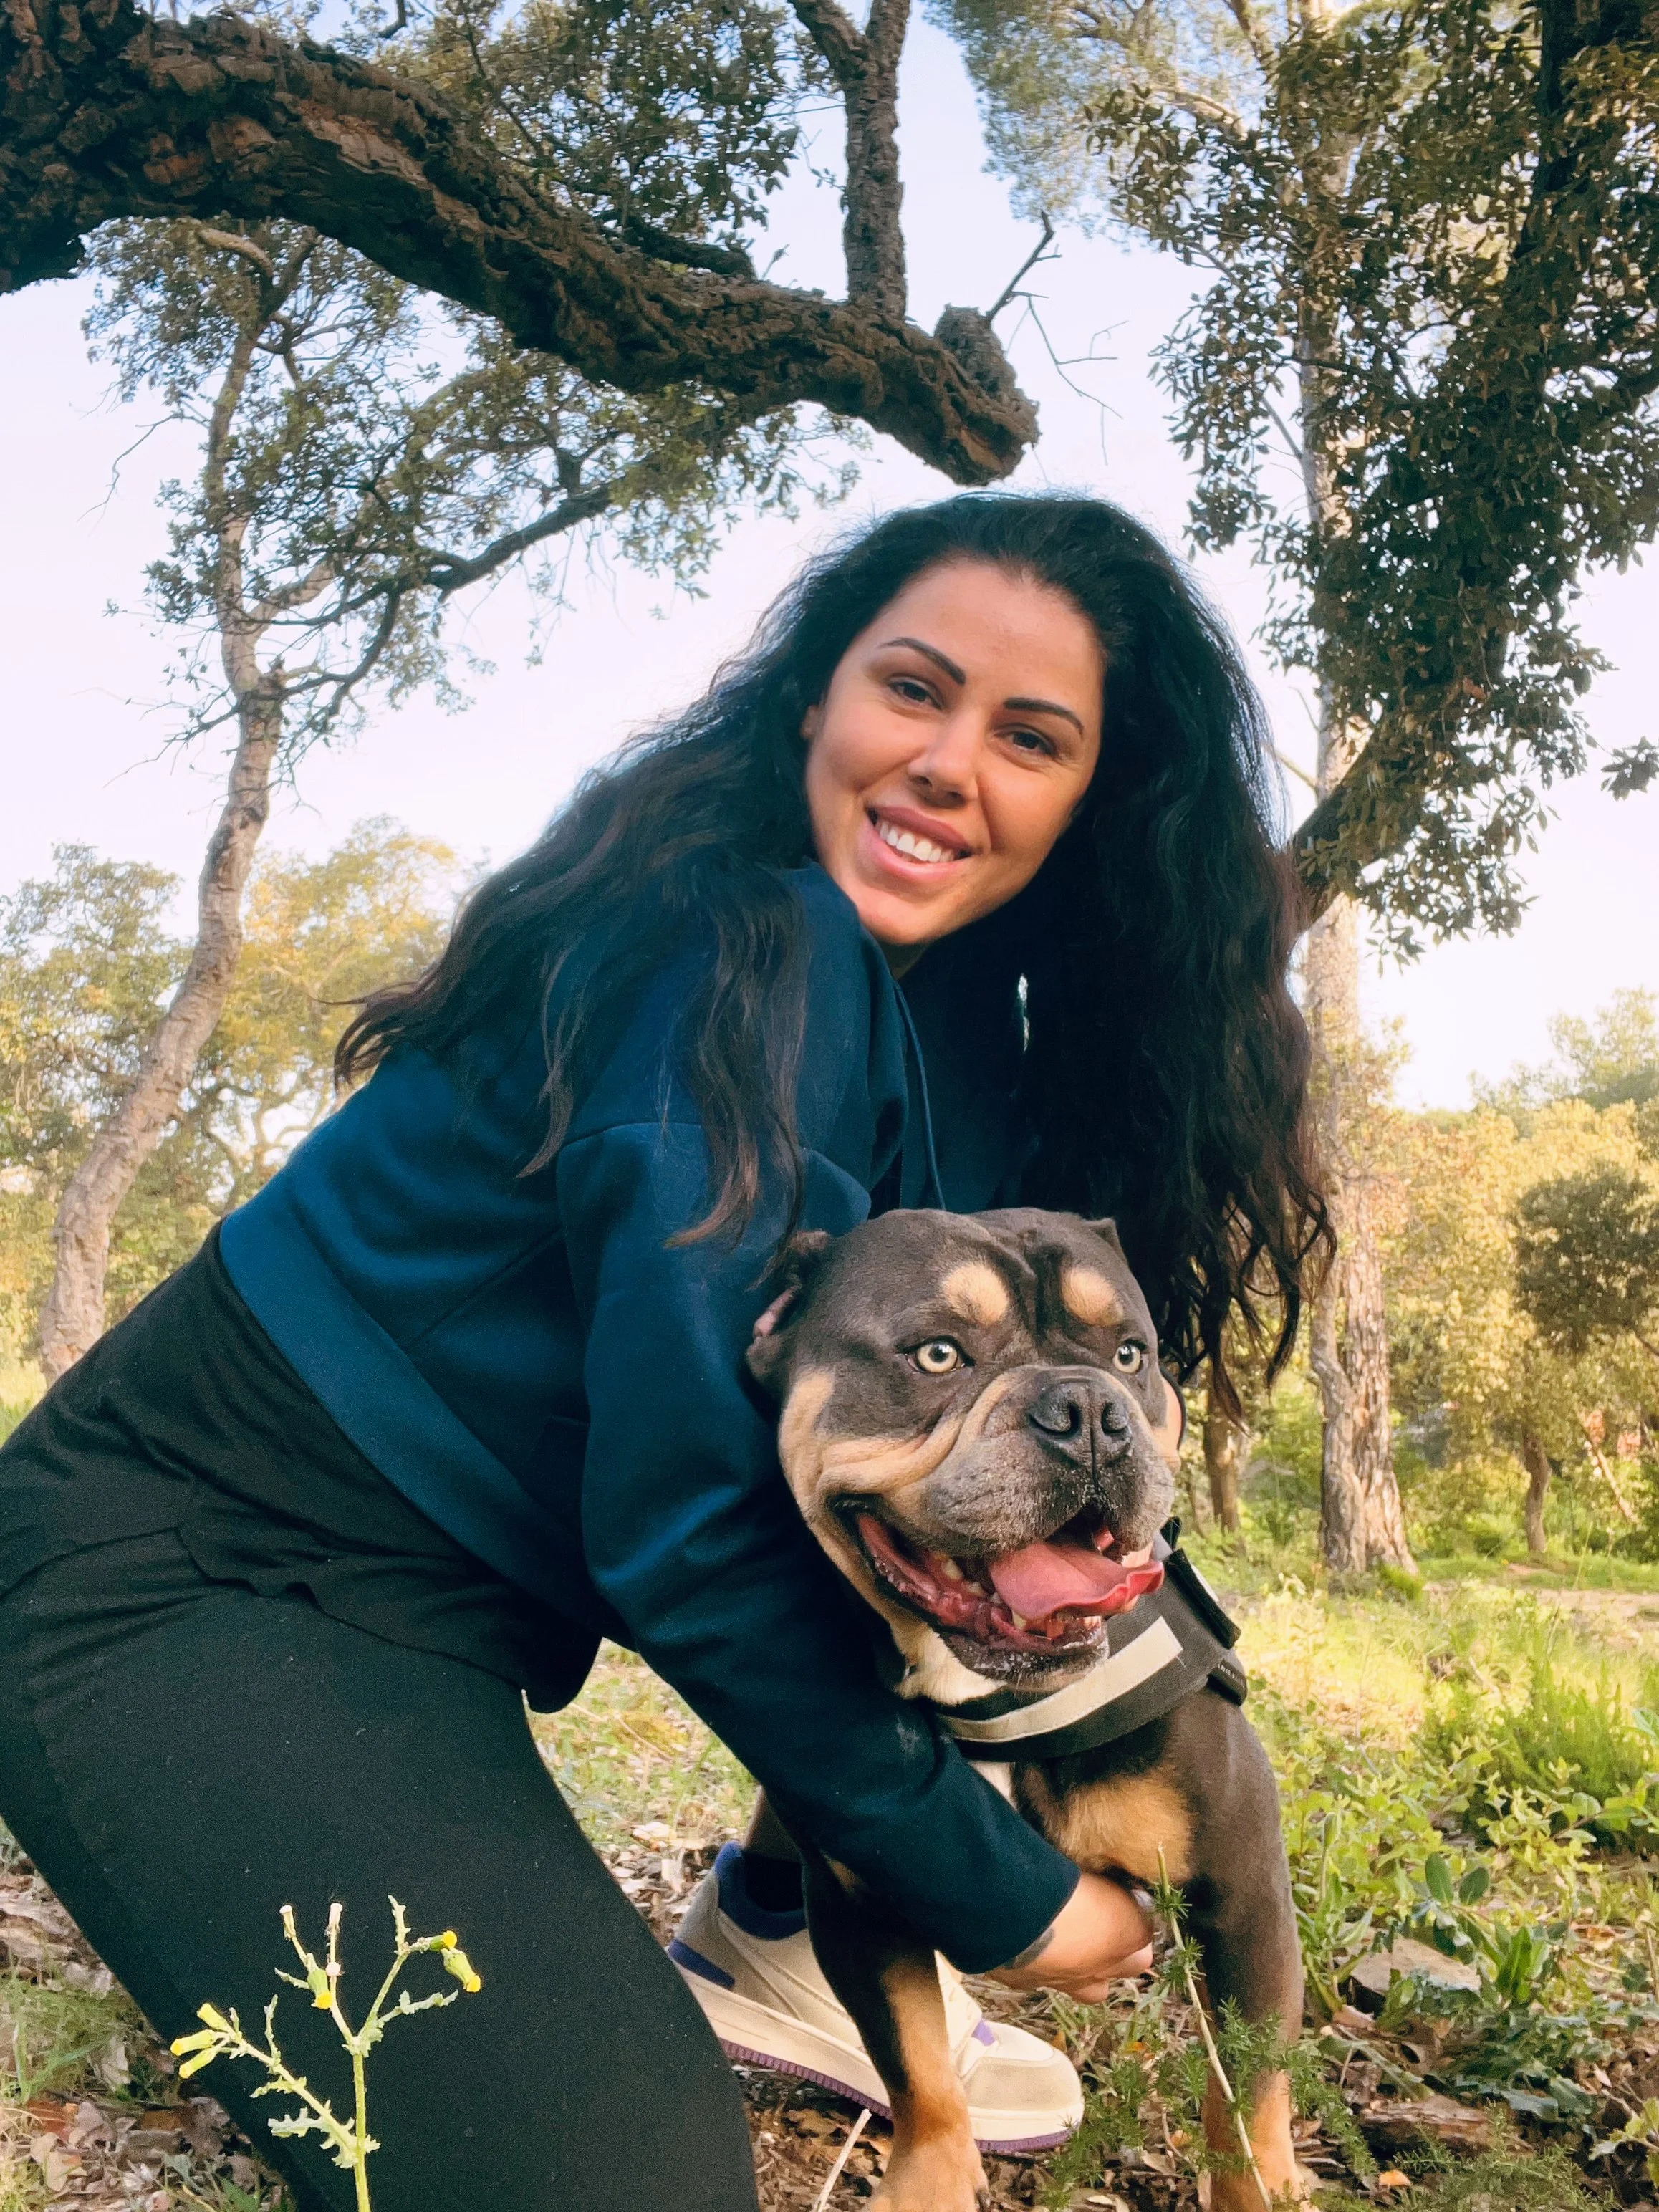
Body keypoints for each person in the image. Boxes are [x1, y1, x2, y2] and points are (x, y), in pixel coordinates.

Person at [0, 493, 1324, 2212]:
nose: (947, 760)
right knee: (621, 2182)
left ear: (1098, 798)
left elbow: (943, 1462)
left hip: (452, 1623)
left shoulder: (969, 1040)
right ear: (813, 709)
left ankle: (778, 1925)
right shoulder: (718, 943)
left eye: (1030, 735)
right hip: (193, 1570)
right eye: (910, 690)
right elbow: (693, 1512)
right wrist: (1006, 1892)